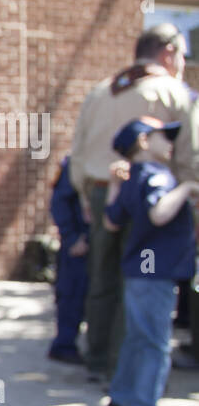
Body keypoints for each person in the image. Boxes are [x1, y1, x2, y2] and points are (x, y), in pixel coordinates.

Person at [68, 23, 197, 383]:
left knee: (102, 279)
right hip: (150, 201)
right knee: (137, 279)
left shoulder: (99, 91)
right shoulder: (175, 93)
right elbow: (189, 156)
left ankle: (96, 361)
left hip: (98, 190)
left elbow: (77, 151)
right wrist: (191, 191)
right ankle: (124, 372)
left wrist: (85, 195)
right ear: (169, 53)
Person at [103, 117, 198, 406]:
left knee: (137, 337)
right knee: (156, 343)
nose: (170, 142)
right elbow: (159, 213)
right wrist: (186, 187)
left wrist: (115, 185)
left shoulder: (132, 179)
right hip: (155, 271)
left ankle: (121, 400)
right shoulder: (159, 176)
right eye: (164, 136)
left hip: (140, 269)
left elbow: (111, 221)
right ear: (144, 141)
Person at [48, 155, 89, 364]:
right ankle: (64, 344)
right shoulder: (77, 163)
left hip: (94, 240)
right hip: (77, 243)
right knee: (71, 292)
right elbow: (59, 201)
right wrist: (71, 237)